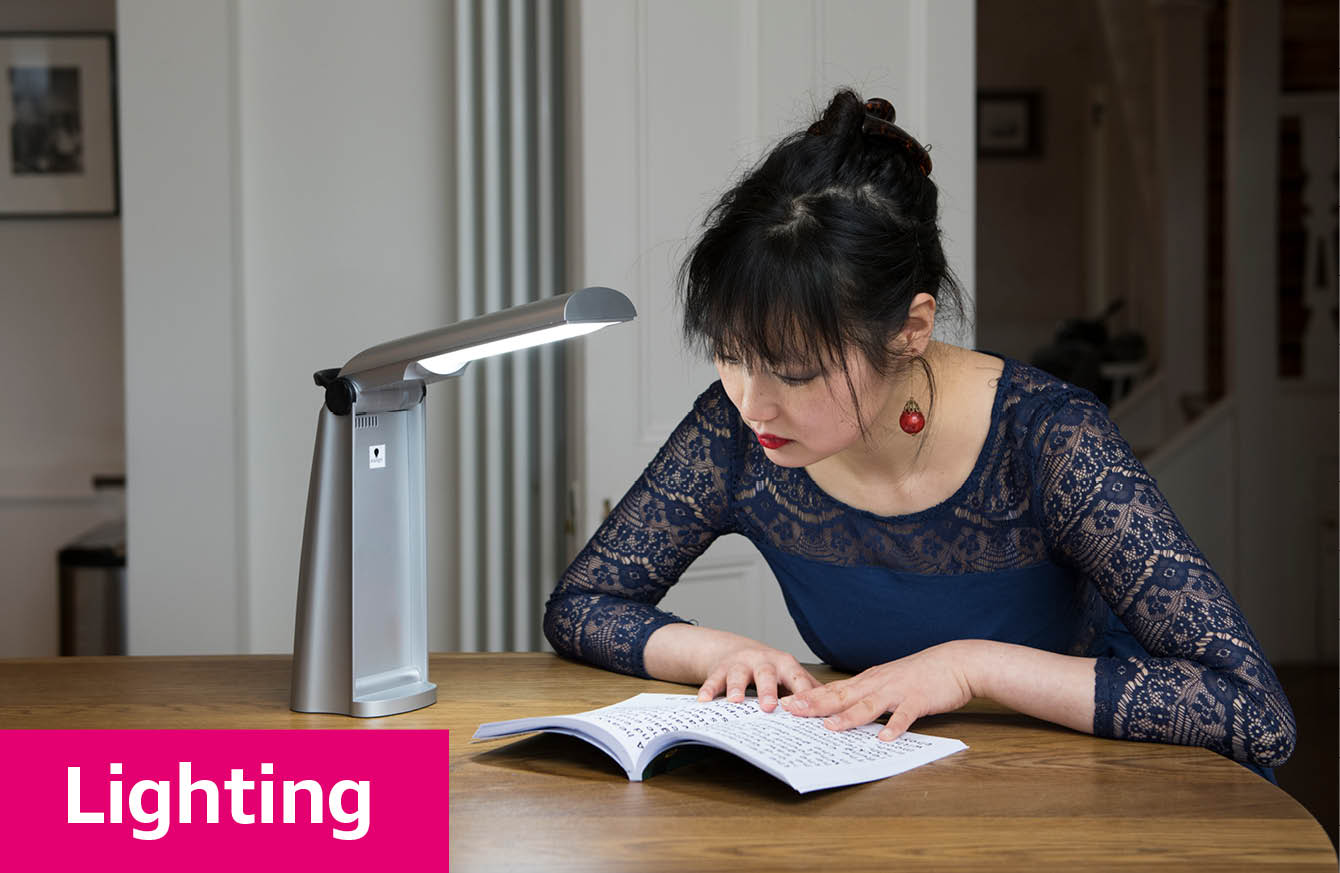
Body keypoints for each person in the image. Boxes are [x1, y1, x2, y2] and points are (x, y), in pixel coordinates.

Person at [542, 88, 1295, 780]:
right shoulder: (736, 435)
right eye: (730, 354)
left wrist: (972, 668)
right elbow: (581, 604)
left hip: (1095, 790)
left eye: (796, 371)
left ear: (910, 330)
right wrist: (725, 650)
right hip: (901, 785)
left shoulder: (1048, 440)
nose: (753, 403)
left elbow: (1255, 713)